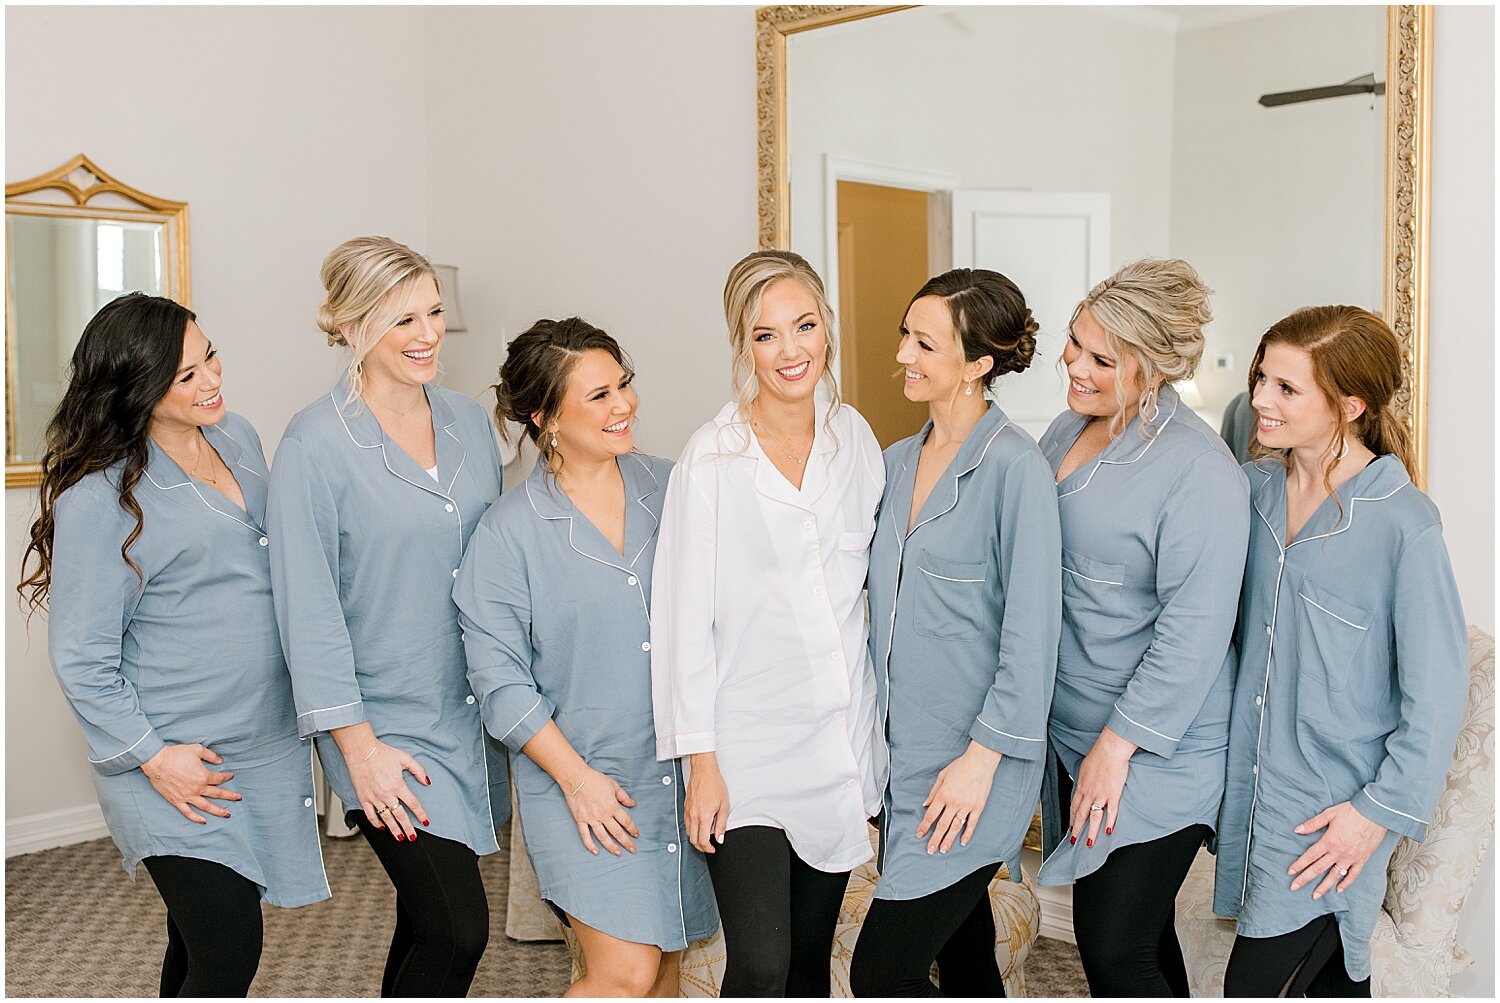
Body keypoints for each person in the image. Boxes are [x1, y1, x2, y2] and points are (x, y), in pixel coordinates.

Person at [19, 293, 329, 996]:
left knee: (200, 939)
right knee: (228, 949)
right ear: (135, 388)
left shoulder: (240, 438)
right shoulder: (99, 498)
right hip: (175, 755)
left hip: (261, 741)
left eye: (210, 356)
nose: (212, 380)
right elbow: (81, 659)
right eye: (185, 375)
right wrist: (157, 759)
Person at [267, 236, 507, 997]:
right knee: (459, 925)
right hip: (380, 726)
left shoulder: (470, 423)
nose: (428, 333)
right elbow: (308, 608)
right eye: (401, 319)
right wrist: (359, 748)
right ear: (348, 326)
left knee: (424, 917)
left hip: (469, 713)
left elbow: (498, 560)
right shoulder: (313, 445)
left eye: (434, 311)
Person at [453, 318, 717, 997]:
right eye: (597, 395)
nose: (623, 404)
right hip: (581, 786)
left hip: (683, 783)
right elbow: (499, 682)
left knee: (662, 973)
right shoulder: (507, 533)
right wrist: (577, 781)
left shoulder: (677, 489)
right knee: (621, 973)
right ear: (545, 416)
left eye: (623, 385)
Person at [650, 249, 886, 996]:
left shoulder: (859, 444)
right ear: (742, 346)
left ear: (827, 329)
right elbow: (682, 620)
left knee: (810, 965)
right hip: (744, 752)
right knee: (760, 964)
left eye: (804, 326)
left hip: (837, 747)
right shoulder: (711, 460)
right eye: (766, 335)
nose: (791, 351)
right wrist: (701, 763)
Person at [1215, 306, 1467, 997]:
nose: (1259, 398)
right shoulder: (1252, 490)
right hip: (1255, 798)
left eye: (1286, 388)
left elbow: (1438, 697)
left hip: (1330, 819)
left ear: (1350, 405)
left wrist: (1373, 816)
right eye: (1262, 377)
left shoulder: (1402, 524)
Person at [1035, 258, 1250, 996]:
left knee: (1112, 943)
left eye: (1102, 358)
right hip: (1074, 729)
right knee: (1147, 939)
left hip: (1158, 748)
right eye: (1075, 343)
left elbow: (1193, 634)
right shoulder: (1067, 429)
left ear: (1153, 369)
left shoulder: (1200, 473)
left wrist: (1114, 748)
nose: (1075, 364)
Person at [850, 269, 1061, 997]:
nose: (904, 354)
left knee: (881, 971)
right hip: (901, 761)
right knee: (967, 959)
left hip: (969, 768)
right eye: (906, 334)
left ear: (979, 364)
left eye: (925, 343)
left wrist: (979, 762)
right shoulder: (893, 463)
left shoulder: (1015, 470)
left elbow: (1030, 643)